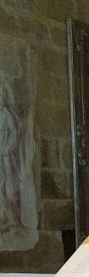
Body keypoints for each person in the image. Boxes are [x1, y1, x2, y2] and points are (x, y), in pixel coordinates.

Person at [0, 85, 25, 234]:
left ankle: (13, 220)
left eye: (2, 97)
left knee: (9, 187)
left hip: (6, 156)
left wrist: (6, 148)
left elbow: (14, 134)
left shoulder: (7, 115)